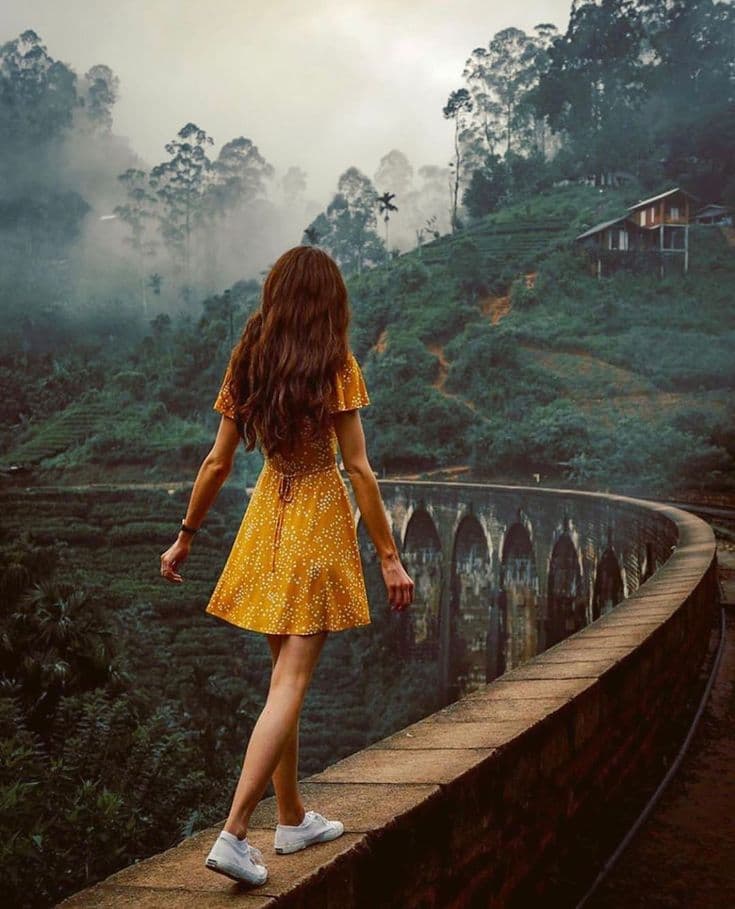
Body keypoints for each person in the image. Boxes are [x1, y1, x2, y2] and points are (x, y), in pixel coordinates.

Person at [159, 245, 414, 887]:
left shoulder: (249, 361)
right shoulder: (335, 365)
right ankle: (236, 832)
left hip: (268, 516)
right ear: (329, 301)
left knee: (281, 678)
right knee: (292, 683)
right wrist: (389, 559)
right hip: (318, 523)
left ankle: (293, 818)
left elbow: (217, 462)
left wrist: (186, 536)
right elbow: (357, 467)